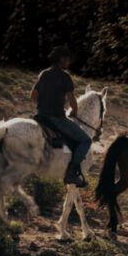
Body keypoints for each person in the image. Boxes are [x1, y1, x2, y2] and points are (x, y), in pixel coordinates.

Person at [31, 58, 92, 186]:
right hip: (57, 118)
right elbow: (71, 99)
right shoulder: (65, 77)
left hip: (41, 116)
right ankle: (71, 174)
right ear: (61, 60)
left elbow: (33, 96)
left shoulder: (44, 74)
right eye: (67, 60)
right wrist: (74, 111)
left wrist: (43, 107)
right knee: (86, 140)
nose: (69, 63)